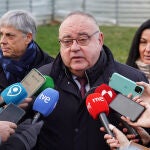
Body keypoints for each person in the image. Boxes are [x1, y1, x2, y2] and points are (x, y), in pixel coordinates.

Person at [33, 11, 148, 150]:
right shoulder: (41, 79)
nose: (74, 48)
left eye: (82, 39)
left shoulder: (133, 80)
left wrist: (139, 141)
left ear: (100, 40)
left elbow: (145, 138)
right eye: (67, 41)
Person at [0, 9, 54, 92]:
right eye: (1, 34)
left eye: (9, 36)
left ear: (28, 38)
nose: (2, 41)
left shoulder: (50, 67)